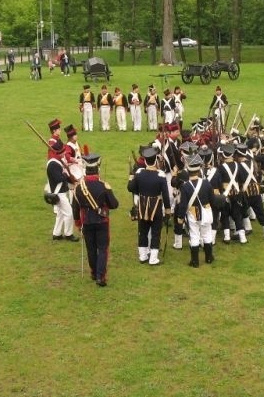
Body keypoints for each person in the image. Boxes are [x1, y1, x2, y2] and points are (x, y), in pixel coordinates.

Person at [71, 153, 119, 286]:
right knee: (103, 249)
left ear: (85, 169)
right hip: (102, 221)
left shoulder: (79, 187)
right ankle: (100, 277)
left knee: (91, 248)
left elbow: (75, 208)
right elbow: (114, 204)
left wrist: (78, 223)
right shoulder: (104, 186)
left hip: (86, 221)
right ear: (98, 167)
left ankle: (93, 272)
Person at [127, 146, 171, 265]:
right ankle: (153, 258)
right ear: (155, 160)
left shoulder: (139, 173)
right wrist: (168, 209)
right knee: (156, 232)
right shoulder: (161, 175)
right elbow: (166, 195)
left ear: (145, 161)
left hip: (142, 205)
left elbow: (130, 188)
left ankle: (143, 256)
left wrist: (131, 178)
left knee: (143, 231)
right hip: (156, 206)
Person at [176, 154, 217, 267]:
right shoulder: (206, 183)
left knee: (194, 236)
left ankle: (195, 261)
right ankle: (209, 257)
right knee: (207, 234)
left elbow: (183, 205)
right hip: (206, 211)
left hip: (193, 214)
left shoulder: (185, 186)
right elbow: (212, 200)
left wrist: (180, 218)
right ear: (199, 170)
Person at [45, 121, 79, 243]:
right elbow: (58, 178)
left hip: (59, 190)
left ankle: (57, 233)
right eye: (63, 152)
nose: (65, 153)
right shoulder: (53, 164)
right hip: (57, 191)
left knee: (60, 214)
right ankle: (69, 234)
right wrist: (65, 174)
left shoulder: (56, 161)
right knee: (68, 213)